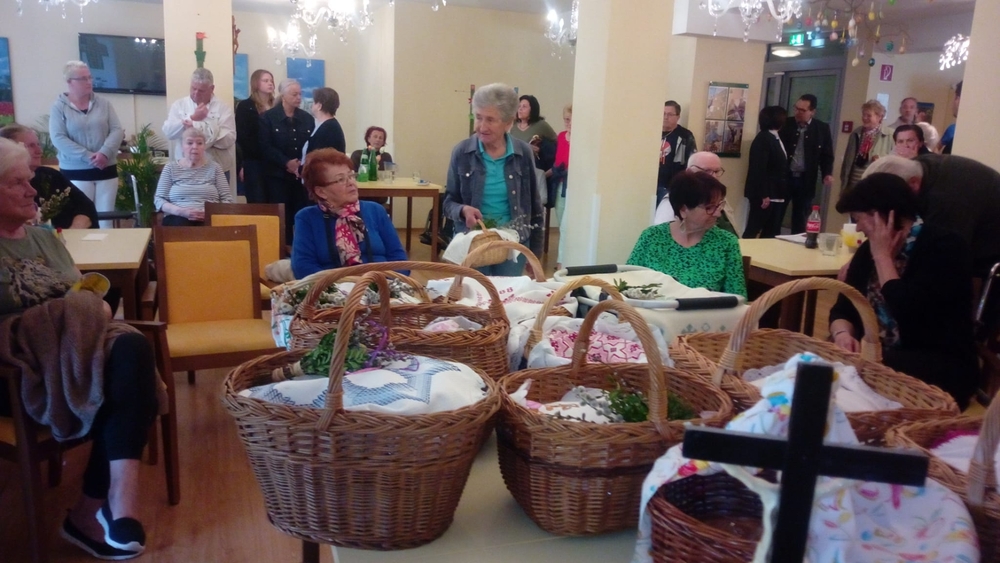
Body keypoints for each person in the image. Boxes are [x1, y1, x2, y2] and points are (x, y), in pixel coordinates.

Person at [0, 137, 158, 560]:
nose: (32, 191)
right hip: (18, 374)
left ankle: (114, 504)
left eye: (30, 180)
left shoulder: (45, 239)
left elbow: (81, 297)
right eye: (18, 183)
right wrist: (64, 317)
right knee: (129, 378)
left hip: (73, 357)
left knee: (131, 351)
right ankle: (92, 514)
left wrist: (82, 312)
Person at [829, 172, 977, 409]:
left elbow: (909, 311)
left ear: (881, 216)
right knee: (822, 370)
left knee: (849, 380)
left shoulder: (946, 247)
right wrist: (842, 334)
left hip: (936, 367)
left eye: (858, 218)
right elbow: (843, 308)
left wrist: (882, 258)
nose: (857, 227)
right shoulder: (867, 251)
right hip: (877, 361)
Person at [444, 83, 544, 276]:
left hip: (513, 244)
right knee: (474, 294)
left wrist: (535, 254)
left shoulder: (523, 153)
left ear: (508, 123)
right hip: (473, 243)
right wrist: (463, 210)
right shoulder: (462, 152)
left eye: (490, 120)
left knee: (507, 294)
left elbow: (535, 206)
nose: (482, 126)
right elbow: (448, 202)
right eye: (479, 117)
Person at [863, 154, 1000, 279]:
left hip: (987, 258)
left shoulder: (945, 201)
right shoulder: (917, 167)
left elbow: (944, 261)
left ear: (913, 184)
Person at [628, 171, 746, 298]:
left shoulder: (726, 243)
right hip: (650, 310)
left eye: (719, 205)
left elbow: (738, 299)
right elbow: (626, 283)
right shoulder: (651, 237)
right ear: (683, 209)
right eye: (709, 207)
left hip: (706, 311)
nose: (718, 214)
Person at [291, 148, 406, 279]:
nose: (350, 182)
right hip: (332, 288)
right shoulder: (307, 218)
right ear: (321, 191)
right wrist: (344, 285)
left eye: (351, 176)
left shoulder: (375, 210)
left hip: (382, 285)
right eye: (341, 179)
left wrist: (381, 283)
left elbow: (399, 259)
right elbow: (303, 267)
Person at [49, 61, 124, 228]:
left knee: (106, 222)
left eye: (90, 77)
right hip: (76, 171)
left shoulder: (104, 103)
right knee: (83, 221)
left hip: (105, 168)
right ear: (69, 82)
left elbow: (117, 130)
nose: (89, 82)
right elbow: (58, 137)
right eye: (83, 79)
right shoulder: (59, 107)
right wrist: (88, 156)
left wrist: (104, 153)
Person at [1, 123, 97, 229]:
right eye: (31, 146)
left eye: (38, 145)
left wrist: (74, 230)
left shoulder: (50, 175)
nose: (39, 151)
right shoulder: (5, 184)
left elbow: (85, 206)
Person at [162, 68, 237, 194]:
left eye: (201, 90)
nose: (196, 93)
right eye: (193, 88)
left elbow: (229, 139)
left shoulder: (224, 108)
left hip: (217, 170)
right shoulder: (179, 105)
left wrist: (194, 126)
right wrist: (192, 118)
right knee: (187, 203)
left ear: (212, 88)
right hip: (185, 169)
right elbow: (169, 132)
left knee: (219, 205)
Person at [259, 78, 313, 243]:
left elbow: (311, 144)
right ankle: (281, 247)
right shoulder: (268, 118)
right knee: (281, 216)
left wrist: (300, 164)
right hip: (277, 176)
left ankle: (301, 247)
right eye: (294, 94)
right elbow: (265, 146)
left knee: (302, 214)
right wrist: (286, 162)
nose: (298, 98)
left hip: (301, 176)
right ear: (283, 95)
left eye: (300, 94)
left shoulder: (307, 118)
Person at [778, 94, 834, 234]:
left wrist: (827, 173)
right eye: (796, 108)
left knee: (800, 217)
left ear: (812, 112)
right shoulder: (785, 124)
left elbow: (826, 155)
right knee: (777, 214)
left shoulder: (821, 128)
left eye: (802, 110)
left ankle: (796, 243)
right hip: (785, 177)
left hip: (805, 179)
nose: (797, 112)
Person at [154, 128, 233, 226]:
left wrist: (210, 213)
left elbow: (227, 199)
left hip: (209, 218)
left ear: (204, 147)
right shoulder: (170, 168)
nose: (195, 147)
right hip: (177, 217)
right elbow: (159, 200)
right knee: (180, 225)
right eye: (190, 143)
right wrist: (182, 212)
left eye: (199, 143)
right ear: (182, 146)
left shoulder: (215, 168)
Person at [653, 152, 739, 236]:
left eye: (716, 171)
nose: (714, 177)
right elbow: (663, 237)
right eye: (707, 171)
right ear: (689, 172)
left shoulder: (719, 198)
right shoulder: (673, 202)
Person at [743, 106, 789, 239]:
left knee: (771, 231)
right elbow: (759, 168)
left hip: (776, 192)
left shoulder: (774, 137)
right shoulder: (764, 139)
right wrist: (764, 194)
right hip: (766, 194)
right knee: (754, 228)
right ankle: (745, 251)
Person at [234, 69, 275, 204]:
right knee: (258, 200)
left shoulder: (277, 106)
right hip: (254, 162)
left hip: (275, 162)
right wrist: (243, 165)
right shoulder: (245, 106)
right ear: (256, 83)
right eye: (265, 80)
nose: (270, 83)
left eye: (271, 81)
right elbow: (242, 137)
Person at [840, 99, 893, 194]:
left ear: (879, 117)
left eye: (869, 115)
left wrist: (881, 160)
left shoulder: (890, 135)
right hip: (853, 186)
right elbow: (847, 163)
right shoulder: (855, 133)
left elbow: (894, 161)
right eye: (863, 115)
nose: (864, 118)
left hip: (874, 188)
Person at [657, 100, 697, 206]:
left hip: (673, 186)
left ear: (678, 117)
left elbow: (692, 160)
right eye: (663, 114)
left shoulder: (685, 136)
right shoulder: (652, 132)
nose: (665, 117)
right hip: (652, 184)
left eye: (670, 114)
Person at [551, 104, 571, 269]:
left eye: (571, 120)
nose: (568, 123)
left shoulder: (581, 139)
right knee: (561, 223)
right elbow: (558, 162)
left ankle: (561, 263)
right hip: (560, 184)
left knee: (566, 226)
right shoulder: (561, 136)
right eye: (566, 120)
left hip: (573, 187)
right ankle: (564, 259)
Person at [509, 94, 557, 165]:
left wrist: (542, 149)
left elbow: (556, 141)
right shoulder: (513, 126)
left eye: (524, 107)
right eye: (519, 106)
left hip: (534, 165)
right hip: (516, 164)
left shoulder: (541, 125)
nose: (520, 109)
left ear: (532, 109)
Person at [304, 87, 346, 155]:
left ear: (319, 106)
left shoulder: (328, 129)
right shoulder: (327, 125)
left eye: (314, 102)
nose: (312, 105)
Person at [940, 81, 961, 154]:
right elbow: (937, 148)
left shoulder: (954, 130)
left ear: (958, 100)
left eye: (954, 98)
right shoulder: (951, 129)